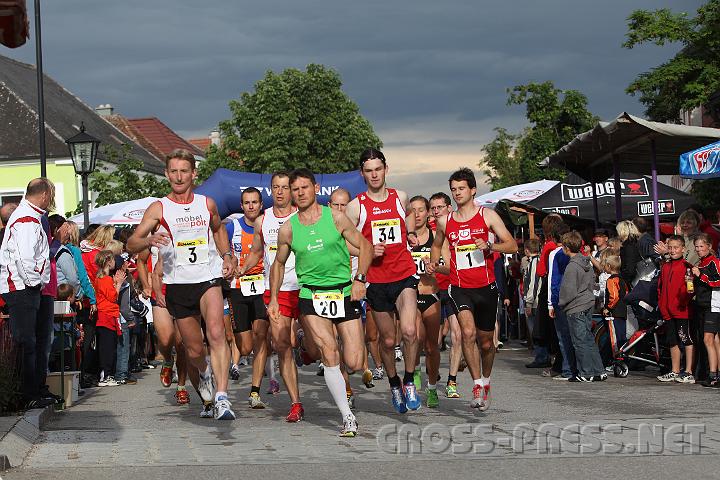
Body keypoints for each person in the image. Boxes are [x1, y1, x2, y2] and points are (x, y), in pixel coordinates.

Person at [128, 148, 237, 420]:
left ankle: (222, 397)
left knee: (215, 333)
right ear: (167, 174)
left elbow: (218, 228)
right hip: (178, 283)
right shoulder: (159, 208)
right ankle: (205, 375)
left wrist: (227, 255)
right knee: (194, 349)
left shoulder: (207, 203)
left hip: (208, 277)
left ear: (193, 174)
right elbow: (132, 242)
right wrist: (149, 241)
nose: (179, 177)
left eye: (184, 171)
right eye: (174, 171)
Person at [269, 168, 372, 436]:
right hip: (311, 295)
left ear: (315, 189)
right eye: (295, 189)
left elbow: (366, 247)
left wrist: (360, 279)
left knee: (354, 359)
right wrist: (274, 299)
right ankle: (347, 417)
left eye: (304, 187)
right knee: (329, 352)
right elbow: (278, 264)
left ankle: (305, 342)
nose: (300, 193)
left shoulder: (336, 218)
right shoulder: (289, 228)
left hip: (343, 291)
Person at [428, 168, 518, 412]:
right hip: (459, 287)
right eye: (454, 190)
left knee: (486, 343)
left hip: (486, 288)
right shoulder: (446, 221)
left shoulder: (487, 216)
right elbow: (436, 245)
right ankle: (476, 385)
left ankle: (486, 381)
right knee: (467, 333)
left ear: (473, 190)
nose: (457, 193)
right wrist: (435, 262)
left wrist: (490, 244)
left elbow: (511, 245)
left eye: (461, 189)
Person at [343, 148, 422, 413]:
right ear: (362, 174)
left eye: (378, 169)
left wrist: (409, 232)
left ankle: (409, 380)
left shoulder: (400, 197)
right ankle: (393, 383)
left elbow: (410, 213)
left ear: (386, 169)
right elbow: (345, 244)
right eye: (369, 170)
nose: (374, 174)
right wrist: (366, 249)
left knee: (410, 331)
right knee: (387, 342)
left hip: (403, 273)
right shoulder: (356, 207)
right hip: (376, 281)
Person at [237, 171, 305, 421]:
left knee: (313, 347)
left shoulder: (301, 217)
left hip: (304, 286)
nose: (279, 191)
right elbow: (256, 252)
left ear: (291, 190)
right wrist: (242, 268)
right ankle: (296, 403)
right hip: (275, 290)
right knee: (280, 343)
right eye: (275, 187)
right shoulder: (262, 221)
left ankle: (308, 350)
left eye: (284, 187)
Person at [0, 178, 56, 408]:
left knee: (35, 342)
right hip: (21, 288)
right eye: (51, 196)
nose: (51, 201)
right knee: (26, 342)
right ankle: (27, 394)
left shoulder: (31, 217)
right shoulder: (26, 220)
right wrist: (35, 282)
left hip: (27, 287)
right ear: (44, 195)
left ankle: (34, 391)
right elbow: (25, 258)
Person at [226, 187, 273, 409]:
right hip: (238, 288)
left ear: (261, 204)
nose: (251, 206)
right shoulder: (232, 227)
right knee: (245, 347)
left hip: (262, 287)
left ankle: (255, 392)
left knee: (261, 337)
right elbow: (221, 252)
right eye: (247, 202)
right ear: (242, 206)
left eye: (255, 202)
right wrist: (228, 266)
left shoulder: (268, 224)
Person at [558, 231, 607, 382]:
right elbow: (592, 283)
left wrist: (561, 303)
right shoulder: (586, 262)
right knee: (588, 338)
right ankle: (598, 370)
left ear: (566, 248)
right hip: (588, 302)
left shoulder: (572, 267)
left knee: (579, 341)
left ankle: (586, 372)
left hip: (575, 306)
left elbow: (568, 290)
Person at [408, 195, 442, 407]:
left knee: (432, 346)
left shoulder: (436, 237)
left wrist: (435, 266)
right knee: (416, 338)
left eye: (421, 210)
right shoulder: (404, 238)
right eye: (413, 211)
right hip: (410, 295)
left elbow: (448, 265)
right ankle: (415, 372)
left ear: (428, 212)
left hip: (431, 294)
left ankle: (432, 388)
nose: (418, 215)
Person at [429, 192, 463, 398]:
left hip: (451, 286)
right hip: (431, 289)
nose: (435, 211)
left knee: (457, 335)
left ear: (449, 208)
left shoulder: (454, 229)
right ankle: (429, 373)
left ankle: (452, 381)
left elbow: (452, 266)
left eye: (439, 207)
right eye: (433, 208)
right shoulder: (423, 231)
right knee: (431, 340)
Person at [654, 235, 695, 384]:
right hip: (668, 311)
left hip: (682, 310)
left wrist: (683, 302)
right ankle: (675, 370)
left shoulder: (686, 266)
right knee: (672, 341)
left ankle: (689, 371)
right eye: (670, 247)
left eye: (676, 247)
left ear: (683, 249)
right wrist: (662, 304)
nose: (672, 250)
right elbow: (661, 287)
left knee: (686, 339)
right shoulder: (665, 266)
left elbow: (690, 290)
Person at [691, 234, 720, 387]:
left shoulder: (714, 262)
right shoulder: (700, 263)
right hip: (702, 305)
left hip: (713, 304)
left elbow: (717, 281)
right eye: (696, 247)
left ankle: (713, 374)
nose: (699, 249)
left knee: (708, 339)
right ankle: (715, 373)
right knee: (714, 340)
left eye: (702, 246)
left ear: (709, 246)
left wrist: (700, 276)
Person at [93, 251, 125, 387]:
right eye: (112, 260)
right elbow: (112, 297)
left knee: (107, 346)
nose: (114, 262)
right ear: (107, 261)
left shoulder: (101, 278)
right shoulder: (105, 279)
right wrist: (118, 284)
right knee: (108, 347)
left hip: (106, 315)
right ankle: (106, 375)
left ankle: (106, 374)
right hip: (107, 315)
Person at [523, 238, 546, 368]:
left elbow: (533, 283)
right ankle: (542, 355)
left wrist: (529, 303)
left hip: (535, 302)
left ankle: (541, 357)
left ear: (527, 250)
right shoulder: (537, 261)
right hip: (537, 301)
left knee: (535, 331)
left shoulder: (534, 263)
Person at [602, 255, 629, 350]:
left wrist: (608, 308)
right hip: (622, 311)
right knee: (622, 335)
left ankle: (617, 358)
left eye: (605, 265)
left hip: (614, 312)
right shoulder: (622, 279)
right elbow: (626, 293)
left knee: (615, 337)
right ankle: (624, 355)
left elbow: (614, 296)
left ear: (609, 266)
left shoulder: (611, 280)